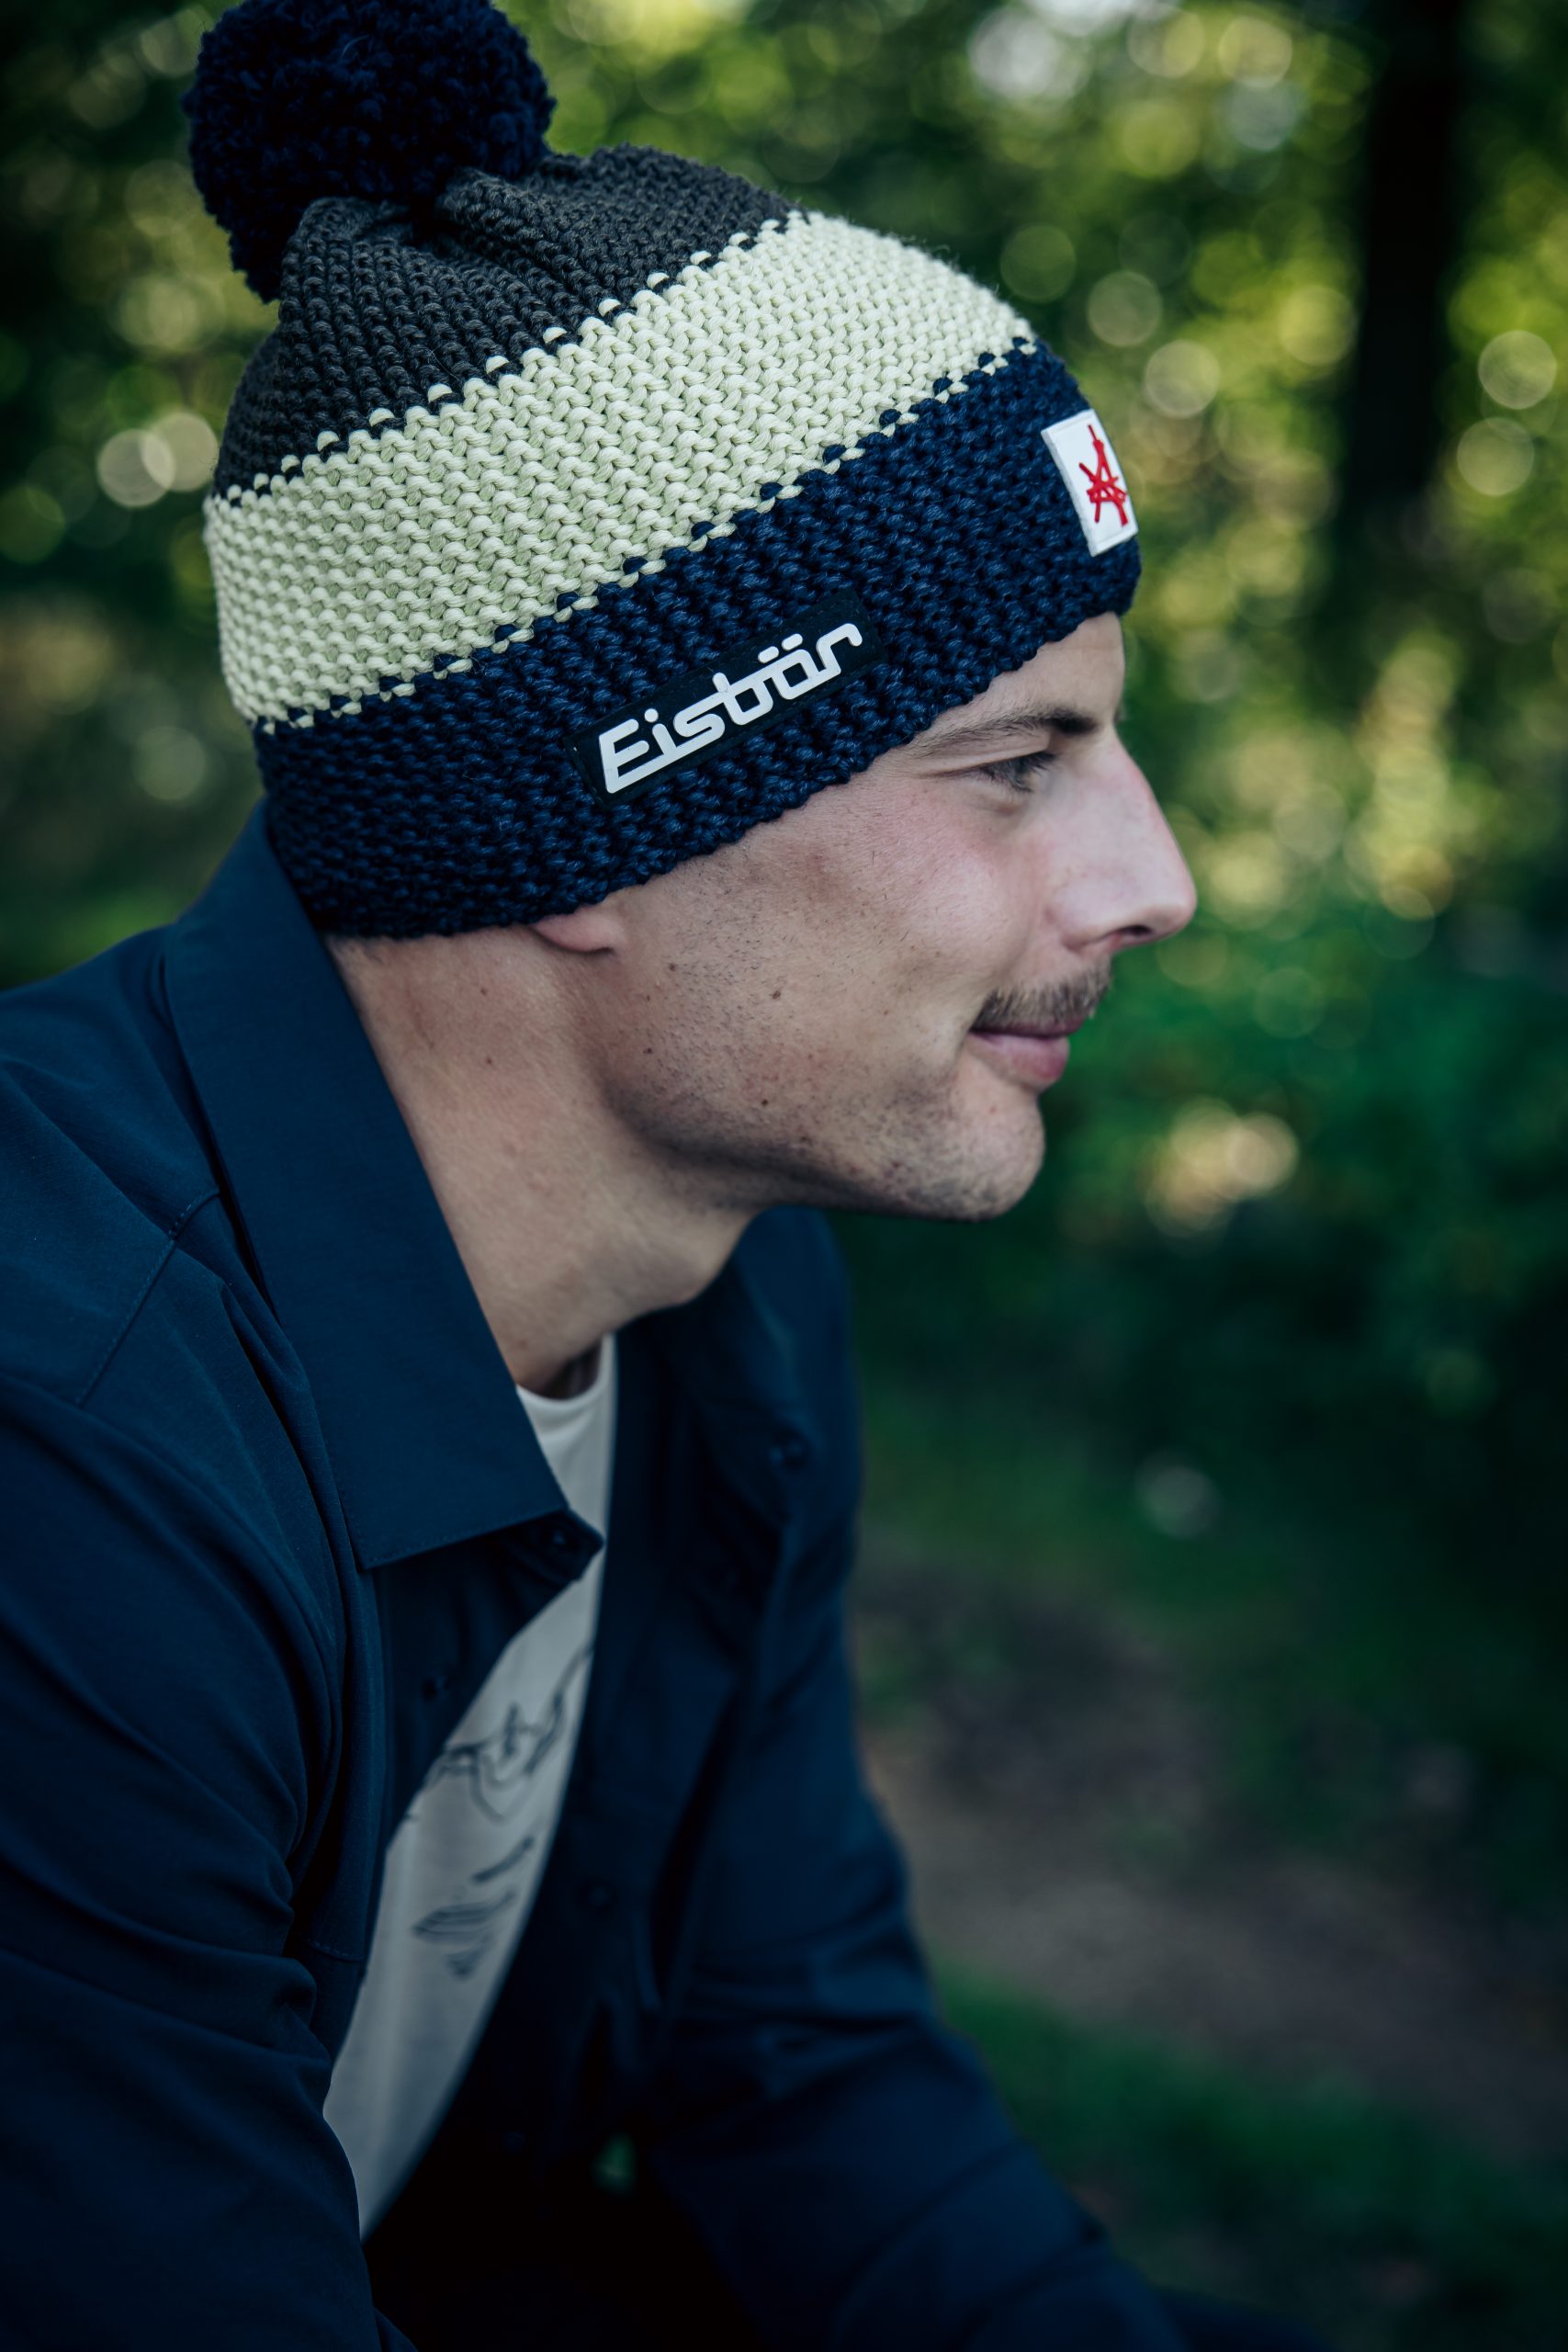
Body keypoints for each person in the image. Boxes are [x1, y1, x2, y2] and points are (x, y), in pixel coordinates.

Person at [0, 3, 1335, 2347]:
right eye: (1013, 762)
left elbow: (789, 2052)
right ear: (599, 815)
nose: (1153, 881)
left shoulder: (723, 1283)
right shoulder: (66, 1450)